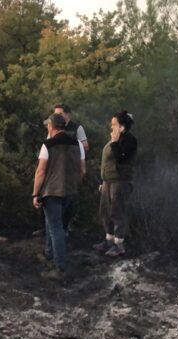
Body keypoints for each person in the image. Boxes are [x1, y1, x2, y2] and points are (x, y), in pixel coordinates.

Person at [32, 114, 85, 280]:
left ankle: (60, 268)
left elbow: (40, 171)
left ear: (51, 127)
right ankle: (49, 254)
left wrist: (35, 193)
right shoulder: (77, 144)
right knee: (54, 223)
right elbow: (82, 170)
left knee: (56, 229)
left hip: (52, 191)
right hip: (70, 191)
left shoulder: (48, 144)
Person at [93, 110, 138, 257]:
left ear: (122, 127)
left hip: (120, 181)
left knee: (117, 212)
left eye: (114, 124)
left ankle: (119, 245)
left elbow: (121, 158)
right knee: (105, 211)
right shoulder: (115, 139)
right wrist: (104, 180)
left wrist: (114, 142)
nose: (111, 127)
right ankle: (109, 240)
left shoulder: (129, 140)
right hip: (109, 181)